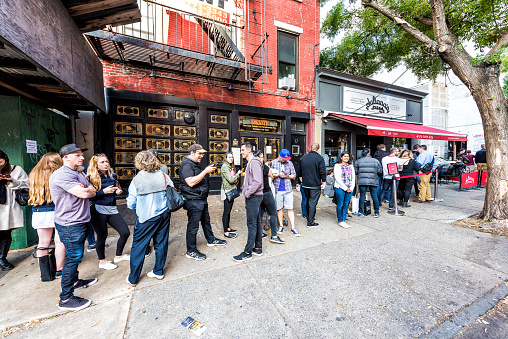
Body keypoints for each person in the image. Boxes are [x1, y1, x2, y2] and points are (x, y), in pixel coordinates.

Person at [49, 143, 98, 311]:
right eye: (77, 155)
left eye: (81, 154)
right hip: (70, 223)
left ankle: (75, 282)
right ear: (66, 158)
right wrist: (88, 190)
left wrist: (88, 189)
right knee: (73, 258)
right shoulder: (61, 175)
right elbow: (86, 193)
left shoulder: (78, 172)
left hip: (81, 220)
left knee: (75, 256)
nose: (82, 157)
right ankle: (65, 299)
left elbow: (93, 189)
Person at [126, 151, 173, 286]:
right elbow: (171, 189)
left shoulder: (137, 179)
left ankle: (133, 278)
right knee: (161, 243)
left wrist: (137, 205)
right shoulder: (163, 175)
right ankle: (158, 271)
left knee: (138, 247)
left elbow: (131, 203)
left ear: (139, 162)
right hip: (164, 213)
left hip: (147, 217)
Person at [180, 144, 227, 261]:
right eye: (199, 153)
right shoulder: (187, 165)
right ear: (192, 153)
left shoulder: (194, 164)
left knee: (206, 221)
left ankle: (211, 240)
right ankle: (191, 251)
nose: (201, 156)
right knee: (193, 226)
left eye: (202, 153)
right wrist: (205, 171)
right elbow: (190, 182)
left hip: (200, 199)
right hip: (193, 200)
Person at [87, 153, 130, 270]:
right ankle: (102, 262)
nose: (106, 164)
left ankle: (118, 256)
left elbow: (117, 187)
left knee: (125, 232)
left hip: (111, 208)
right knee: (102, 235)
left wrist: (118, 191)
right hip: (97, 209)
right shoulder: (91, 178)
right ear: (96, 165)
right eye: (102, 162)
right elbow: (88, 197)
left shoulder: (112, 175)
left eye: (106, 162)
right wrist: (103, 192)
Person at [28, 153, 65, 277]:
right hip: (56, 209)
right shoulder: (58, 174)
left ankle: (45, 273)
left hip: (39, 210)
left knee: (43, 243)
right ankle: (60, 270)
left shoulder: (34, 174)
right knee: (59, 241)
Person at [233, 143, 264, 261]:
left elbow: (257, 181)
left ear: (249, 150)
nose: (241, 152)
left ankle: (247, 252)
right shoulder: (251, 162)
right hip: (255, 196)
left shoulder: (254, 162)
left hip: (254, 197)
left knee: (251, 224)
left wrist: (248, 192)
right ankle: (258, 248)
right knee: (257, 222)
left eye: (242, 150)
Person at [0, 150, 29, 271]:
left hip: (7, 208)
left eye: (0, 162)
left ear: (5, 158)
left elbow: (26, 185)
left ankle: (2, 258)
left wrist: (11, 180)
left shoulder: (16, 170)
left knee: (5, 233)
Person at [256, 151, 284, 244]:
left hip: (258, 193)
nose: (262, 158)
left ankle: (259, 233)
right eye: (261, 157)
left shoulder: (253, 167)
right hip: (266, 192)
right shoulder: (264, 167)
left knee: (259, 214)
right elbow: (271, 176)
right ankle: (274, 236)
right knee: (273, 213)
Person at [296, 143, 326, 227]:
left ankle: (308, 216)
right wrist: (324, 182)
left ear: (310, 149)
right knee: (312, 203)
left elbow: (298, 171)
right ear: (318, 150)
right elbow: (322, 171)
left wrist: (301, 180)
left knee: (308, 201)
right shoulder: (320, 158)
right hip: (315, 185)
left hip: (305, 184)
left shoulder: (303, 158)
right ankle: (310, 221)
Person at [271, 149, 299, 236]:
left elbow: (294, 175)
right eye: (284, 158)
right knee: (279, 208)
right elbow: (270, 176)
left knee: (290, 208)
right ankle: (281, 225)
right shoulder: (273, 163)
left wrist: (287, 176)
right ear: (279, 156)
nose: (285, 160)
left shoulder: (289, 163)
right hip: (277, 189)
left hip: (288, 189)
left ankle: (293, 227)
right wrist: (278, 175)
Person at [354, 148, 382, 218]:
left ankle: (361, 212)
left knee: (362, 196)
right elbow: (380, 171)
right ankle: (376, 212)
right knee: (374, 196)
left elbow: (356, 171)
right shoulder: (376, 161)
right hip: (373, 180)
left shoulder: (358, 161)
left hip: (362, 180)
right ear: (368, 153)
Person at [220, 151, 241, 238]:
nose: (231, 159)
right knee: (226, 211)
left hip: (231, 189)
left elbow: (233, 180)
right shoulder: (225, 166)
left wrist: (236, 178)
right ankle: (226, 231)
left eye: (232, 157)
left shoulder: (229, 166)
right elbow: (231, 180)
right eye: (229, 157)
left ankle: (227, 228)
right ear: (225, 158)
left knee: (228, 211)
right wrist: (238, 174)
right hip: (227, 191)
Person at [380, 147, 405, 214]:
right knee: (394, 192)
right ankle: (391, 206)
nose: (398, 152)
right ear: (394, 152)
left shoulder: (384, 159)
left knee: (384, 190)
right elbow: (400, 169)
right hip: (395, 177)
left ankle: (379, 204)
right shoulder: (398, 159)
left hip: (386, 176)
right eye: (397, 151)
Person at [334, 152, 355, 228]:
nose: (346, 157)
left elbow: (353, 178)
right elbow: (337, 178)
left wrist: (351, 187)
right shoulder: (337, 166)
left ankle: (343, 218)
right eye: (344, 156)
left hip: (350, 188)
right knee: (340, 204)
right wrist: (345, 188)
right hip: (340, 188)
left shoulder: (351, 166)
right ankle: (340, 220)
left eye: (347, 156)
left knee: (346, 204)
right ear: (341, 157)